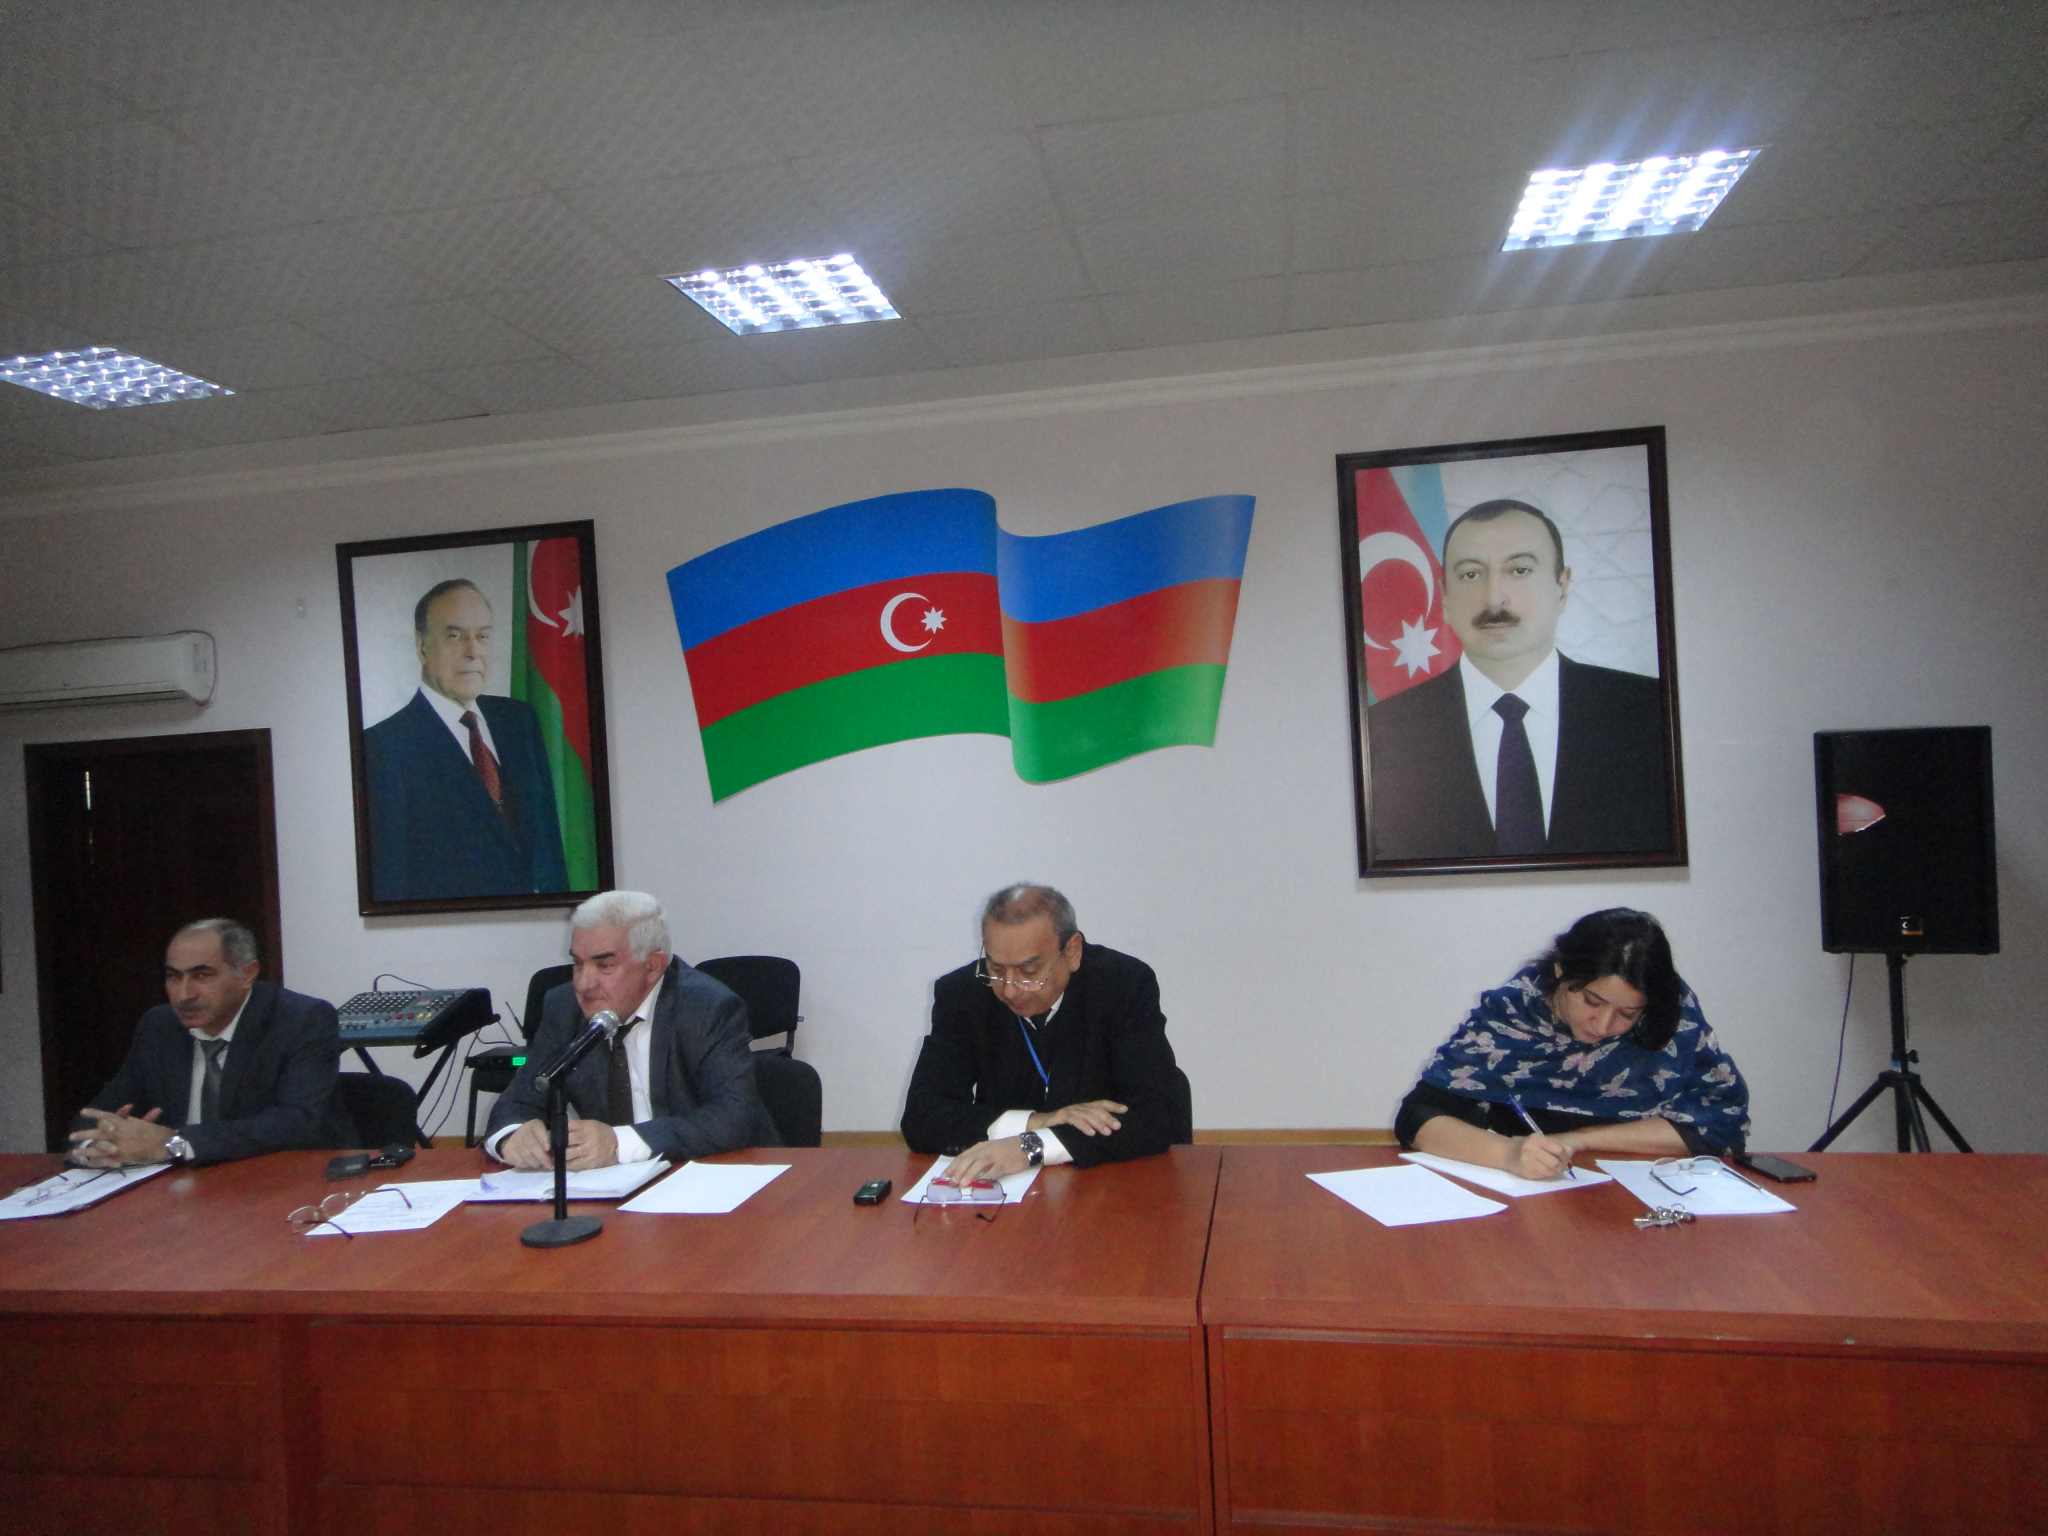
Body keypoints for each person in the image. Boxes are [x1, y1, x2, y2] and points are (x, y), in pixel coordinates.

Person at [1365, 499, 1672, 862]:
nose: (1494, 598)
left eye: (1520, 570)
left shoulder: (1652, 713)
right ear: (1445, 597)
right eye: (1471, 575)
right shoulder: (1383, 730)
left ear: (1561, 586)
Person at [1395, 908, 1749, 1178]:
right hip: (1525, 1196)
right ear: (1561, 971)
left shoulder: (1672, 1017)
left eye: (1628, 1013)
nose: (1604, 1025)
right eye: (1592, 1002)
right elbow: (1418, 1117)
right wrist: (1509, 1154)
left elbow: (1718, 1126)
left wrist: (1580, 1140)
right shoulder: (1515, 1014)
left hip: (1641, 1197)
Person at [902, 883, 1192, 1185]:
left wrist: (1030, 1147)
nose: (1010, 989)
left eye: (1029, 972)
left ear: (1072, 951)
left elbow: (1155, 1115)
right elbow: (922, 1117)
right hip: (1006, 1191)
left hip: (1108, 1181)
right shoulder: (961, 995)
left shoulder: (1123, 986)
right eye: (996, 968)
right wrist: (1037, 1122)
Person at [485, 890, 778, 1169]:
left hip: (713, 1173)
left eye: (605, 966)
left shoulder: (706, 1008)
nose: (583, 984)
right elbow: (518, 1100)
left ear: (653, 966)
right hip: (610, 1186)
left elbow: (734, 1116)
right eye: (577, 963)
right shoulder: (563, 1008)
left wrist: (619, 1143)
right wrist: (512, 1135)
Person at [69, 919, 351, 1167]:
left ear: (247, 974)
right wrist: (99, 1146)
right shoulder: (159, 1026)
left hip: (279, 1177)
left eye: (202, 975)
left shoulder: (300, 1020)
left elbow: (297, 1122)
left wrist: (174, 1144)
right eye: (174, 976)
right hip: (180, 1186)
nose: (184, 994)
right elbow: (98, 1113)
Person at [363, 577, 570, 902]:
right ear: (422, 647)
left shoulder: (519, 720)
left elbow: (549, 849)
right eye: (454, 636)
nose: (473, 652)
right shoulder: (384, 747)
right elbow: (392, 885)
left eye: (483, 636)